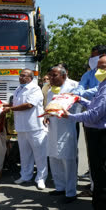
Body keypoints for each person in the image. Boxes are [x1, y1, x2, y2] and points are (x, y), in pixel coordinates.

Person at [63, 55, 106, 209]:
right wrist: (80, 100)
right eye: (97, 67)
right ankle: (99, 204)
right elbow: (95, 105)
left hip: (102, 134)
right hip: (96, 132)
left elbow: (95, 115)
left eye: (103, 67)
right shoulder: (105, 83)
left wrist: (70, 116)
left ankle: (105, 206)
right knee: (97, 173)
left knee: (103, 175)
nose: (98, 71)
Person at [5, 69, 47, 190]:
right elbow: (14, 103)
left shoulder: (35, 89)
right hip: (22, 127)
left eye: (24, 76)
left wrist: (11, 108)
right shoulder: (18, 89)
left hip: (35, 127)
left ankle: (41, 178)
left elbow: (29, 105)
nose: (20, 77)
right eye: (20, 75)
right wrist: (4, 106)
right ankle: (26, 175)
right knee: (24, 154)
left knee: (39, 155)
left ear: (30, 78)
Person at [44, 66, 78, 203]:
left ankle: (71, 192)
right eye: (50, 75)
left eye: (54, 75)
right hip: (53, 127)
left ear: (64, 76)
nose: (51, 78)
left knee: (68, 160)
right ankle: (60, 187)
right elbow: (49, 106)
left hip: (67, 127)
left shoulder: (74, 86)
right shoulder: (51, 90)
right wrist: (46, 115)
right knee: (53, 157)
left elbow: (78, 107)